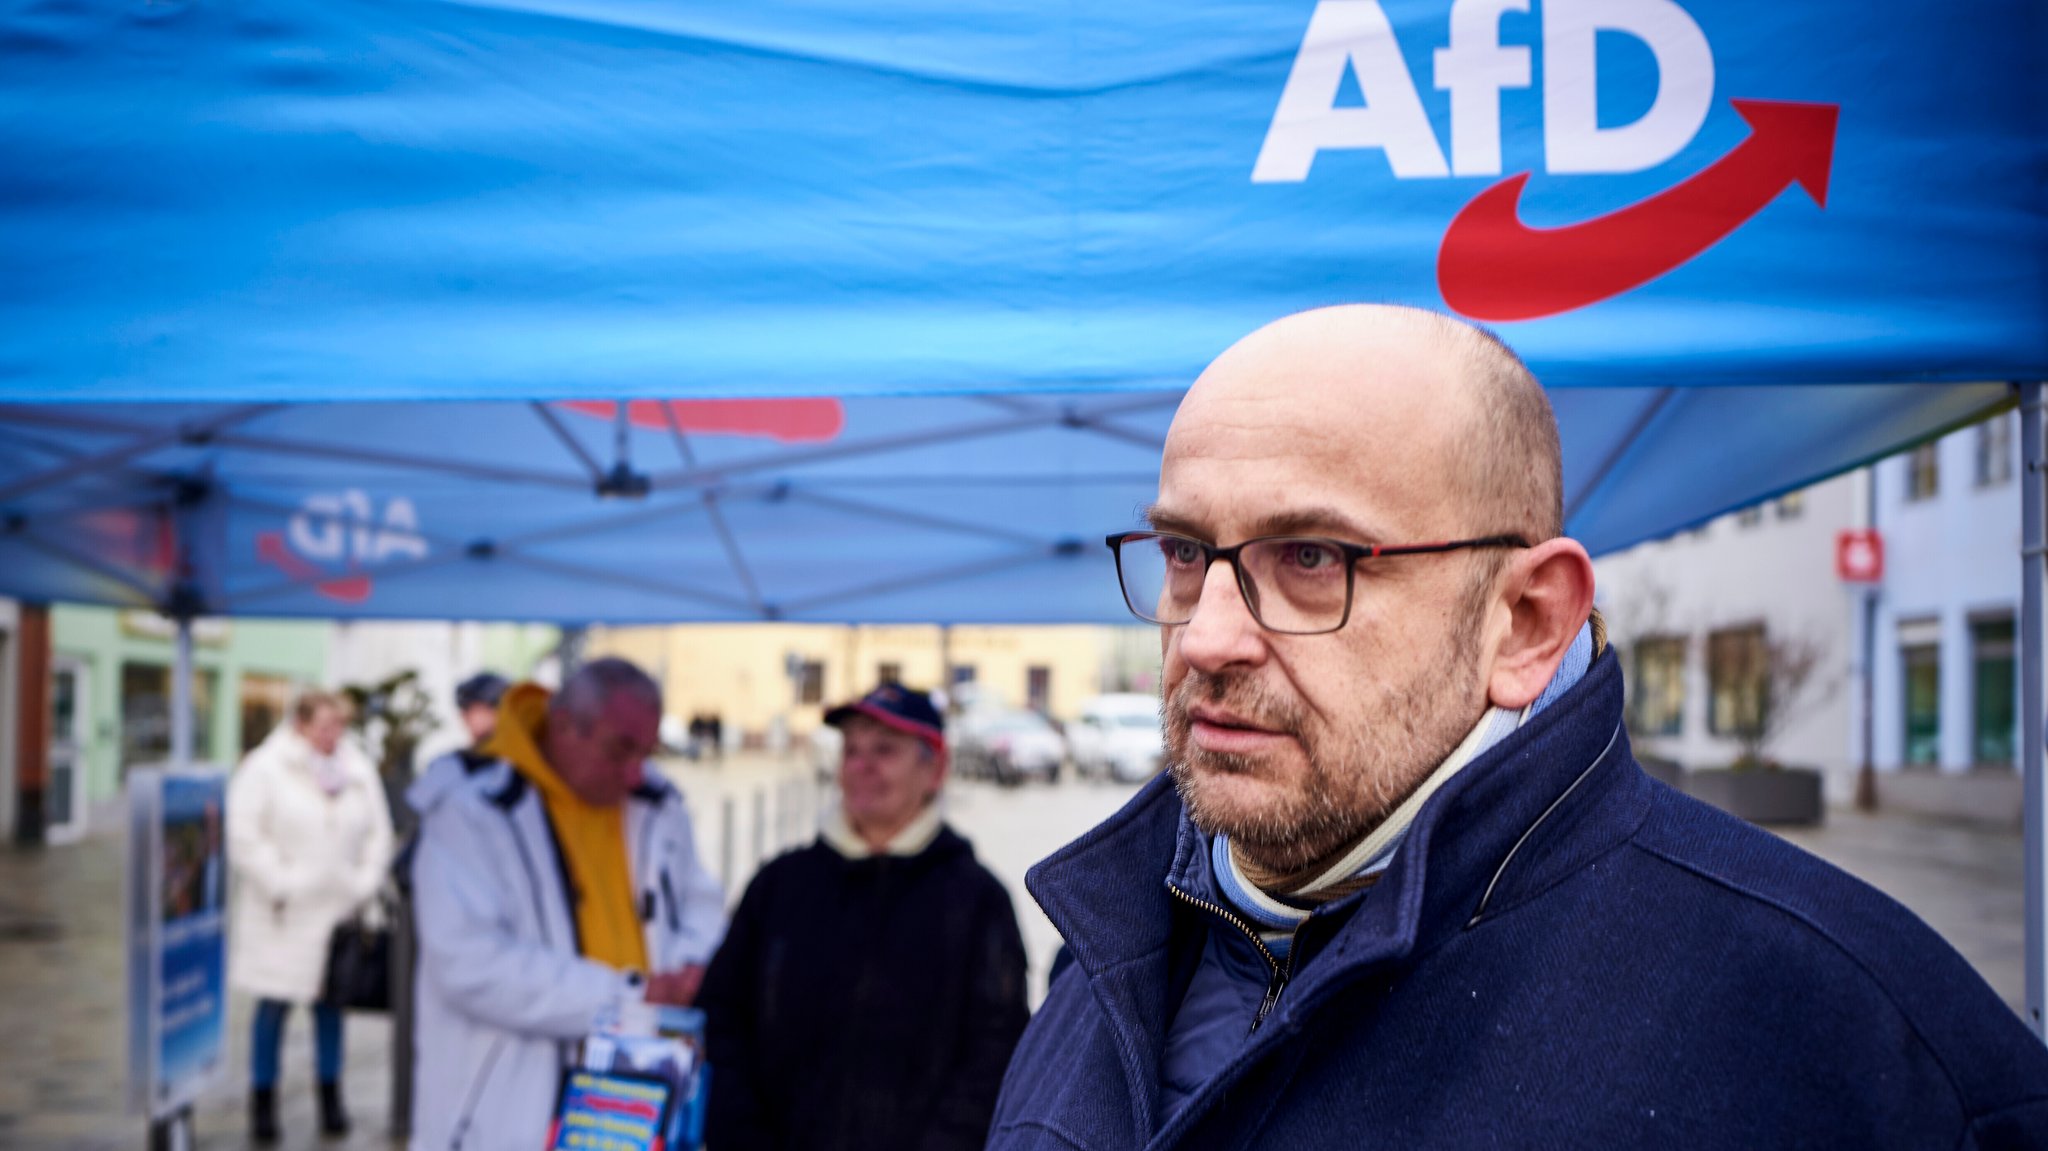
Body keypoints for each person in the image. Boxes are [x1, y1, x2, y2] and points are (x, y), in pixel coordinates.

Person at [988, 306, 2048, 1149]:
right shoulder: (1109, 952)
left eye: (1312, 558)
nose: (1207, 636)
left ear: (1529, 620)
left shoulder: (1848, 1037)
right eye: (1184, 553)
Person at [409, 657, 725, 1151]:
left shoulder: (658, 801)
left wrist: (686, 971)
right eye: (620, 749)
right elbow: (470, 964)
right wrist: (632, 996)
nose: (635, 772)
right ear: (563, 726)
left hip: (631, 1107)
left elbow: (700, 901)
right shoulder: (470, 810)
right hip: (504, 1116)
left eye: (647, 752)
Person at [699, 684, 1029, 1151]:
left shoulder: (977, 901)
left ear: (935, 768)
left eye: (884, 750)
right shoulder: (779, 885)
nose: (862, 766)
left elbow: (996, 1054)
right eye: (851, 750)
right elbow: (724, 1018)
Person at [226, 690, 393, 1143]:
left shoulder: (356, 769)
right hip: (283, 916)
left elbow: (379, 833)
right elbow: (244, 835)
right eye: (324, 725)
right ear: (300, 724)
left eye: (339, 725)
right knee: (273, 1009)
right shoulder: (266, 768)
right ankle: (263, 1101)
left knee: (331, 1008)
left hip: (338, 913)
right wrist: (281, 881)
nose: (332, 734)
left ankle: (331, 1098)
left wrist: (362, 882)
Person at [404, 671, 510, 818]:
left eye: (469, 707)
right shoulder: (454, 764)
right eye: (464, 709)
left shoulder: (455, 765)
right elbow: (417, 803)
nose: (463, 716)